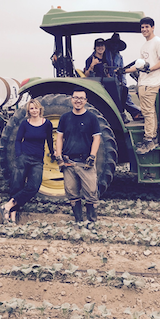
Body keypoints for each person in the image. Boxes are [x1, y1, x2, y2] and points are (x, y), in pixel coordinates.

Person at [0, 99, 54, 224]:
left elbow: (49, 140)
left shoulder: (47, 124)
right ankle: (12, 218)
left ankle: (7, 206)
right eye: (31, 108)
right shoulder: (25, 123)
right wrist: (19, 155)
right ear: (28, 111)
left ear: (40, 109)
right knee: (17, 186)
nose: (34, 110)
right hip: (24, 158)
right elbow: (18, 140)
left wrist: (52, 152)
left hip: (37, 160)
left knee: (34, 186)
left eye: (36, 108)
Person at [55, 89, 101, 223]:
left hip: (85, 162)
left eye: (81, 98)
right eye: (76, 98)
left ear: (86, 101)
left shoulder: (92, 118)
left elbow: (96, 139)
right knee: (72, 193)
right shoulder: (65, 118)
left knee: (91, 193)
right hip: (68, 161)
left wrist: (92, 156)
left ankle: (91, 221)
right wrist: (59, 156)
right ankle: (79, 221)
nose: (78, 100)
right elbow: (59, 138)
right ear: (71, 99)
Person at [123, 17, 160, 154]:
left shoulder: (158, 42)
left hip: (152, 82)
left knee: (148, 112)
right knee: (147, 111)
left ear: (153, 27)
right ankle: (150, 138)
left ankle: (150, 139)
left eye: (147, 27)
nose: (144, 30)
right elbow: (139, 67)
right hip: (143, 82)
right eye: (142, 27)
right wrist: (123, 71)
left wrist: (151, 69)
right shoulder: (144, 46)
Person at [105, 33, 143, 122]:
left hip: (117, 81)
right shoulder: (104, 53)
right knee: (123, 95)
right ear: (110, 44)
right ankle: (135, 113)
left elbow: (122, 71)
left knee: (125, 92)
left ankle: (135, 113)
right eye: (113, 43)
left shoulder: (119, 57)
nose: (114, 45)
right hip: (107, 81)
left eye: (116, 44)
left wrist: (123, 83)